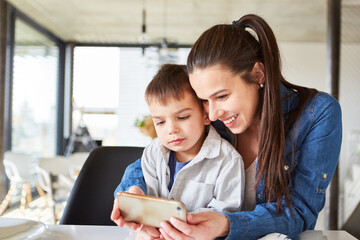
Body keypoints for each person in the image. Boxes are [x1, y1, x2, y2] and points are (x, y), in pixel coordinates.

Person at [112, 14, 342, 240]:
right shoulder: (213, 122)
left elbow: (300, 212)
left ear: (258, 73)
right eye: (204, 100)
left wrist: (226, 224)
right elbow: (145, 165)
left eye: (221, 96)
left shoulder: (318, 114)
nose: (212, 114)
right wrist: (132, 196)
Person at [111, 64, 245, 238]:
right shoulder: (153, 152)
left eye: (182, 117)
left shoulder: (228, 160)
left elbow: (225, 216)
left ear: (206, 115)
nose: (171, 129)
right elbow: (145, 207)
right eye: (160, 122)